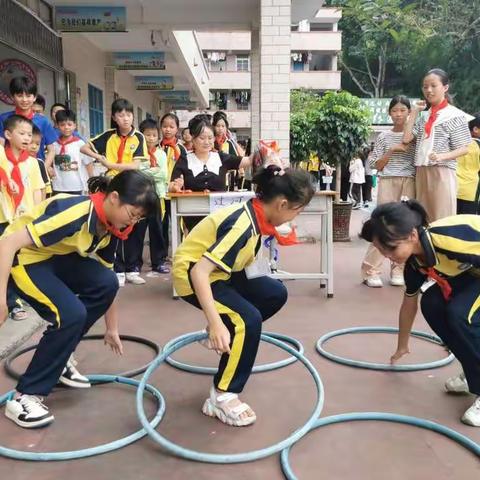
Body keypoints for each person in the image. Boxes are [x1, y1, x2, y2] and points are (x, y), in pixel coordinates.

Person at [0, 170, 158, 428]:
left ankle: (59, 359)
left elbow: (107, 280)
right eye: (132, 214)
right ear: (114, 198)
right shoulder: (75, 214)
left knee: (106, 283)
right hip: (23, 258)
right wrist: (1, 300)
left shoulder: (110, 227)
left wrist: (112, 328)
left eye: (139, 219)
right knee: (71, 315)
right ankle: (24, 396)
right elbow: (6, 244)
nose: (133, 222)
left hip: (52, 257)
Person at [172, 165, 314, 427]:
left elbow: (246, 262)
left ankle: (229, 329)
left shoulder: (259, 216)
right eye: (298, 209)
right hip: (193, 276)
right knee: (248, 320)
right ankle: (222, 395)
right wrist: (214, 322)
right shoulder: (242, 224)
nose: (297, 216)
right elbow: (200, 272)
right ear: (282, 204)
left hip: (222, 273)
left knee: (274, 293)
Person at [360, 200, 480, 426]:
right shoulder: (415, 264)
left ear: (412, 235)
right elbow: (409, 304)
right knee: (432, 303)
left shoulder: (450, 240)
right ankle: (473, 372)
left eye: (391, 248)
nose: (387, 256)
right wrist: (402, 346)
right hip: (473, 273)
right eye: (382, 250)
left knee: (462, 314)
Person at [81, 98, 149, 286]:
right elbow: (84, 147)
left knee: (133, 226)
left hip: (132, 184)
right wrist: (99, 157)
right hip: (111, 185)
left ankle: (132, 268)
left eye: (128, 114)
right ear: (114, 117)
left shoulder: (139, 137)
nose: (125, 118)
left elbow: (135, 164)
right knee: (113, 226)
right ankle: (117, 268)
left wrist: (111, 164)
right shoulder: (108, 135)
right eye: (121, 115)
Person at [361, 95, 416, 288]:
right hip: (388, 180)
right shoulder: (383, 136)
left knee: (405, 228)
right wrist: (392, 150)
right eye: (395, 110)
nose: (398, 114)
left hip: (410, 181)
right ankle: (371, 270)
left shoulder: (415, 135)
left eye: (403, 110)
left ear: (410, 112)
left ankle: (398, 269)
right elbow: (377, 165)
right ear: (389, 113)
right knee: (381, 225)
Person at [403, 69, 471, 221]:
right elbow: (407, 138)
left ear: (445, 87)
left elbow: (465, 148)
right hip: (421, 170)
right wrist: (414, 113)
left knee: (442, 217)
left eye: (433, 86)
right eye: (425, 86)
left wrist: (442, 156)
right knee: (422, 217)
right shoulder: (423, 117)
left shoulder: (454, 115)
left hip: (442, 171)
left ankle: (443, 245)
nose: (428, 90)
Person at [170, 115, 254, 231]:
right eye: (202, 138)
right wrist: (175, 187)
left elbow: (248, 160)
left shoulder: (220, 157)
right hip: (193, 216)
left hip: (219, 215)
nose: (207, 142)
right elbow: (172, 185)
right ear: (193, 139)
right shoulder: (185, 159)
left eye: (210, 138)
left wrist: (263, 152)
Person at [0, 115, 45, 321]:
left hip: (23, 220)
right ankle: (11, 301)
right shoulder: (1, 158)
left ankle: (18, 298)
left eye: (29, 134)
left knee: (19, 260)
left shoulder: (33, 163)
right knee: (4, 260)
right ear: (8, 135)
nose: (27, 138)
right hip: (3, 218)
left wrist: (36, 217)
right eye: (22, 134)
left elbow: (37, 191)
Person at [0, 77, 57, 171]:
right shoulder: (3, 118)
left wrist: (43, 170)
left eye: (28, 95)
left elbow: (51, 150)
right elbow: (1, 147)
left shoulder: (43, 121)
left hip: (36, 170)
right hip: (11, 170)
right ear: (12, 97)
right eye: (19, 95)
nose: (24, 99)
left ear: (34, 97)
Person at [137, 118, 170, 275]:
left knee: (157, 230)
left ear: (158, 137)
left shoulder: (161, 154)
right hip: (139, 196)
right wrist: (151, 171)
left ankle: (158, 262)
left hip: (157, 196)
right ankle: (135, 263)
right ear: (141, 136)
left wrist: (144, 172)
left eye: (154, 135)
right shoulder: (138, 154)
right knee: (138, 230)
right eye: (147, 135)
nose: (151, 138)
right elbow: (135, 172)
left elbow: (163, 174)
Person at [159, 113, 188, 263]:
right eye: (165, 126)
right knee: (161, 225)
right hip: (160, 193)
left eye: (171, 126)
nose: (168, 129)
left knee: (178, 225)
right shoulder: (156, 147)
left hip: (176, 193)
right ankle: (162, 255)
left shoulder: (181, 149)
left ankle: (179, 252)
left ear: (177, 128)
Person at [51, 109, 93, 195]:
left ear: (74, 126)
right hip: (58, 186)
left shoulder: (80, 144)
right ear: (57, 126)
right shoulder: (53, 145)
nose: (66, 127)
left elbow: (88, 163)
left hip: (76, 186)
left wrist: (92, 181)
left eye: (69, 124)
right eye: (62, 125)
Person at [456, 114, 480, 214]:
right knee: (466, 223)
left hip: (453, 188)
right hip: (471, 192)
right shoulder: (478, 146)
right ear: (475, 129)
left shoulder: (457, 142)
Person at [27, 126, 51, 199]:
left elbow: (44, 188)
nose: (34, 147)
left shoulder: (40, 163)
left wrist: (41, 207)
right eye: (31, 143)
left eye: (37, 144)